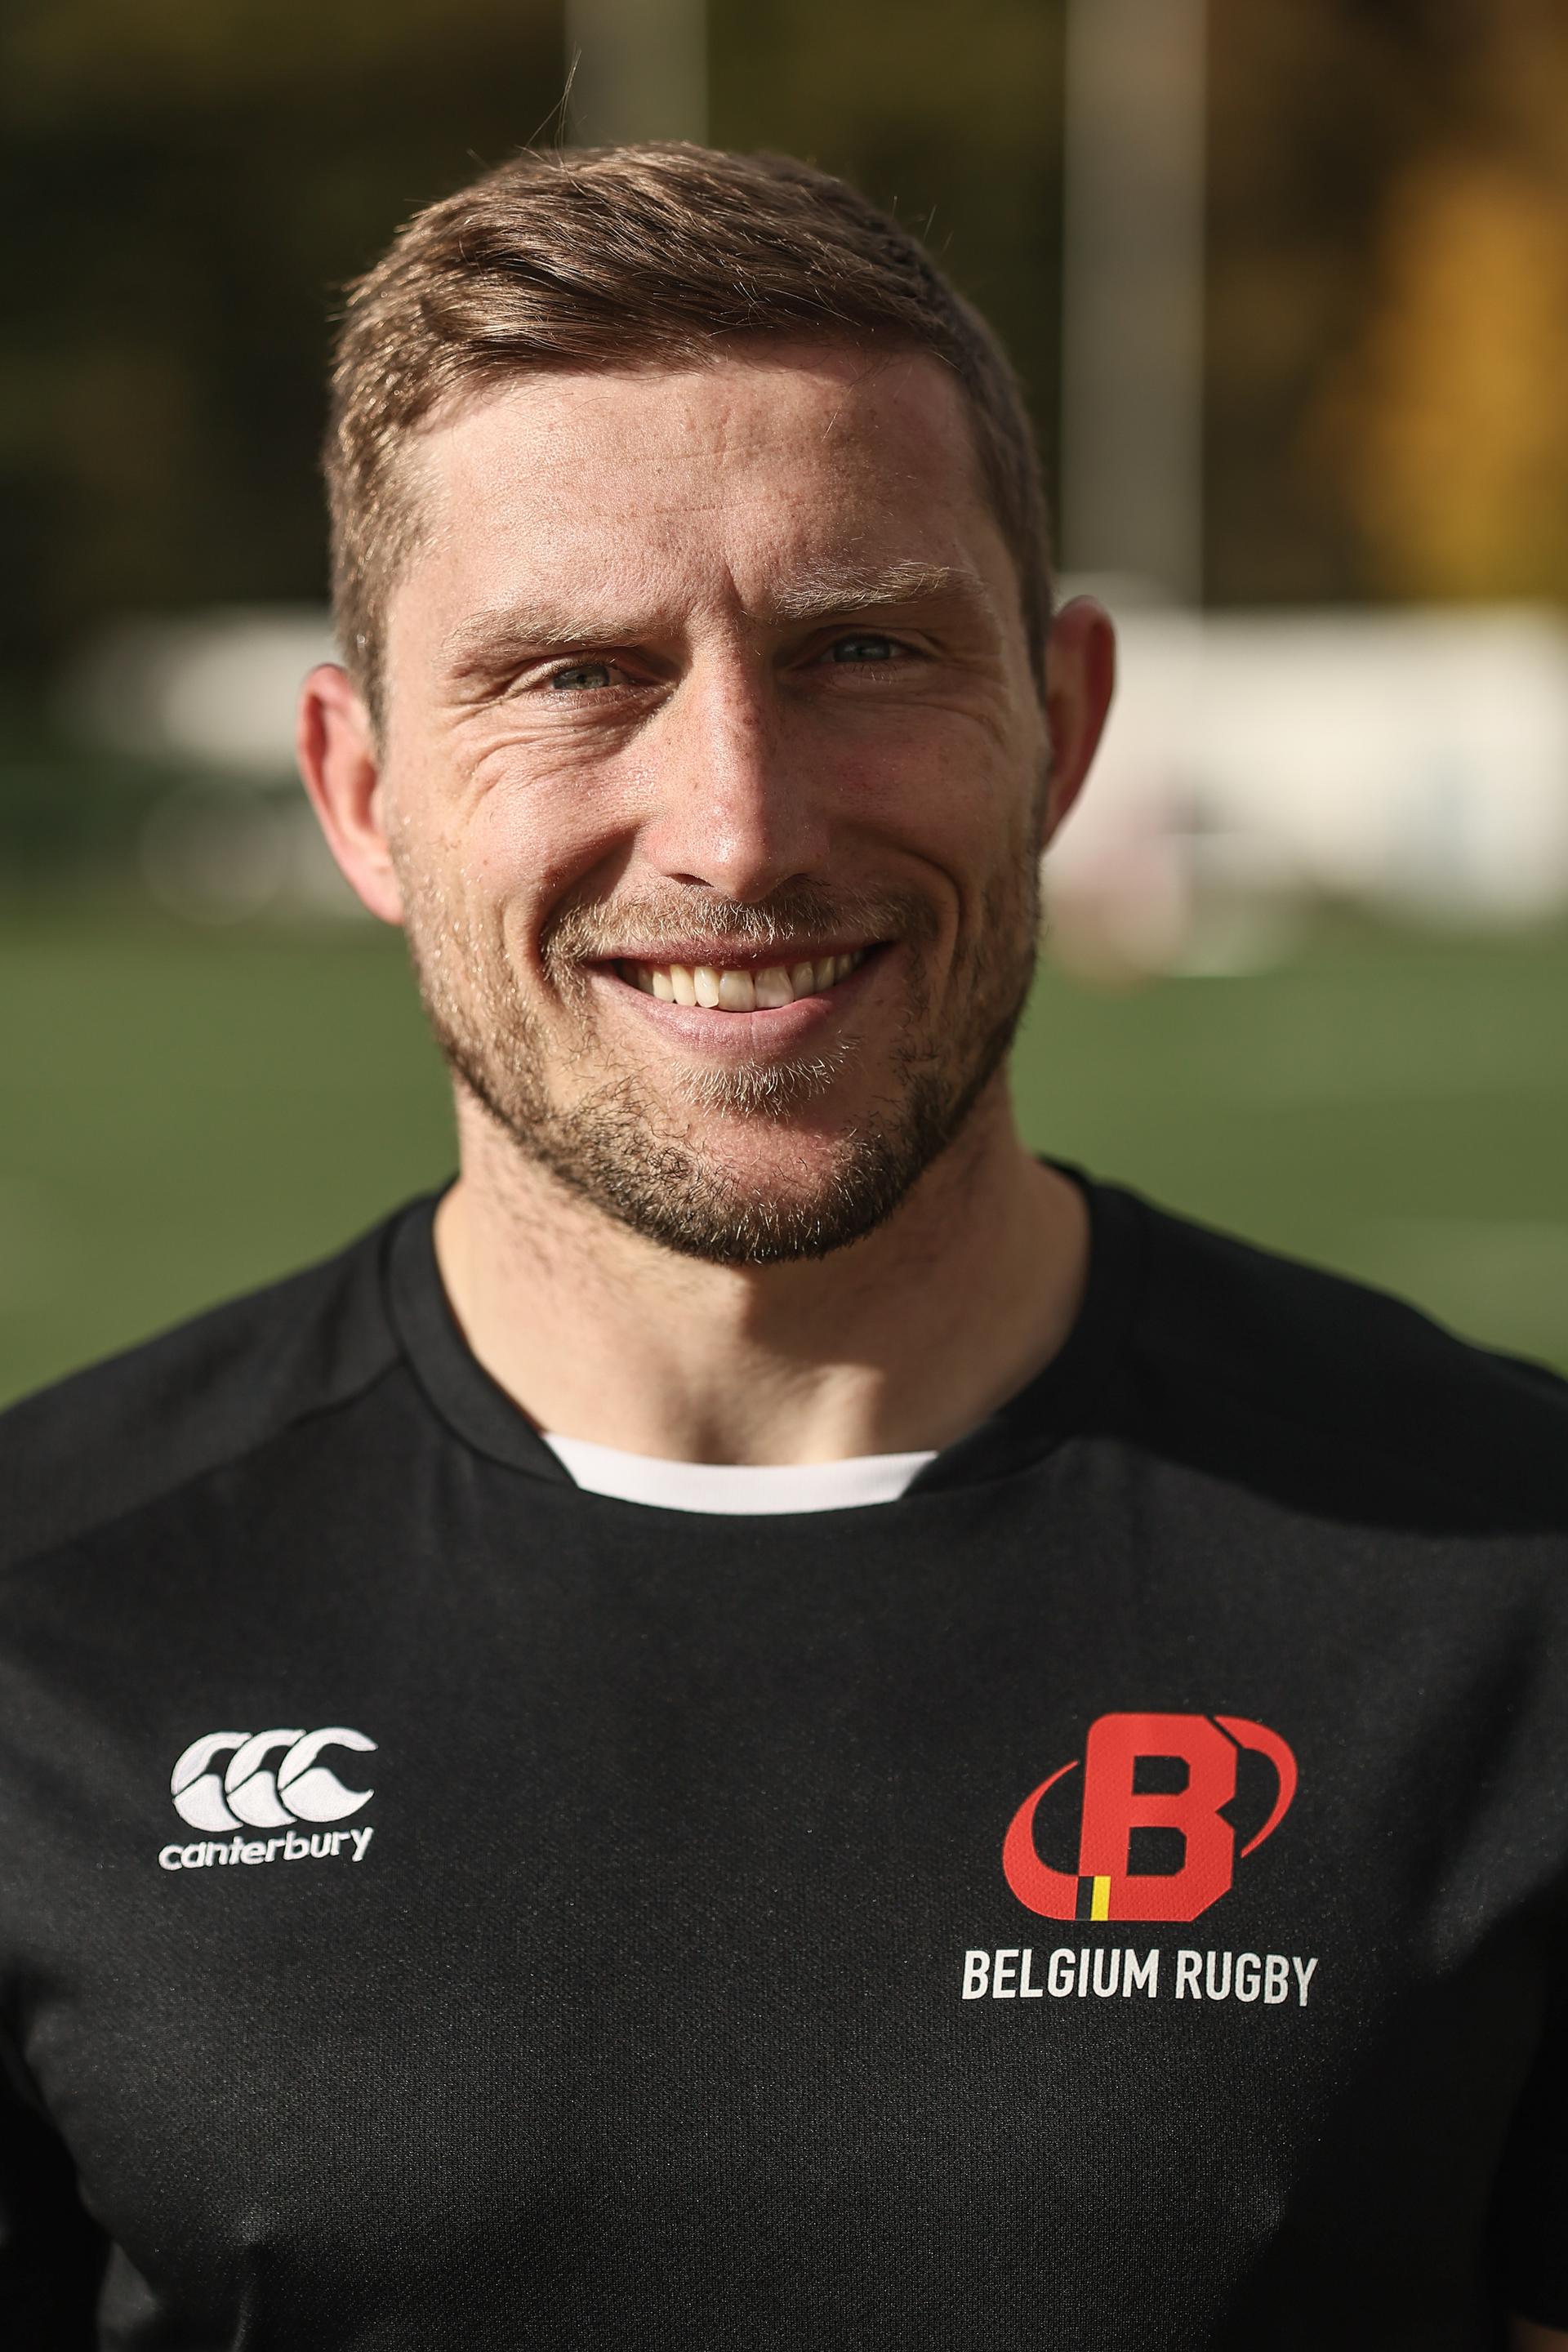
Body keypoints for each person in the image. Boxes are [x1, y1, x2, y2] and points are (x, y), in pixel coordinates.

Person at [2, 142, 1566, 2352]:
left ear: (1069, 728)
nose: (740, 821)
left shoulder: (1514, 1596)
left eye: (862, 648)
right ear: (361, 795)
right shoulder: (45, 1618)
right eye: (574, 673)